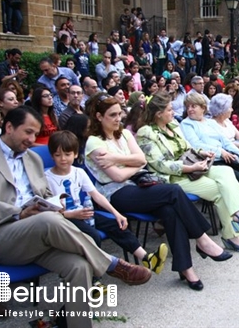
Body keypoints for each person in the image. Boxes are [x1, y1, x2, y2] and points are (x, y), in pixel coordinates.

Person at [0, 106, 151, 328]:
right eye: (27, 132)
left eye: (35, 133)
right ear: (9, 127)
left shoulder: (33, 159)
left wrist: (54, 204)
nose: (32, 139)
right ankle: (111, 264)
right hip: (1, 236)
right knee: (48, 220)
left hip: (41, 233)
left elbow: (46, 195)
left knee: (79, 267)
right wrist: (19, 212)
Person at [85, 94, 231, 290]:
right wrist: (133, 163)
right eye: (112, 115)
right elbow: (118, 177)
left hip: (139, 185)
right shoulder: (94, 142)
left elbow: (142, 160)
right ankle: (202, 239)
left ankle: (186, 268)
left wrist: (119, 160)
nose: (118, 118)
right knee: (173, 191)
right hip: (116, 194)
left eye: (120, 113)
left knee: (170, 211)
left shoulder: (126, 134)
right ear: (99, 117)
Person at [136, 93, 239, 251]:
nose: (174, 113)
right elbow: (160, 165)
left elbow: (188, 147)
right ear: (158, 114)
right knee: (220, 190)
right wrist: (191, 168)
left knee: (226, 172)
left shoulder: (172, 125)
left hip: (193, 166)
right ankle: (231, 236)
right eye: (170, 110)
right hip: (175, 176)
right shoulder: (146, 133)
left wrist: (202, 153)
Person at [45, 131, 168, 274]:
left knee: (117, 225)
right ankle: (95, 277)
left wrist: (116, 214)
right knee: (93, 235)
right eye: (58, 155)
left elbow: (96, 195)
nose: (63, 159)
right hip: (63, 218)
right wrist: (71, 214)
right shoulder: (46, 177)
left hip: (82, 212)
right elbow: (50, 209)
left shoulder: (78, 172)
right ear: (52, 155)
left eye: (67, 154)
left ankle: (147, 258)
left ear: (76, 154)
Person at [180, 93, 239, 211]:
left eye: (193, 106)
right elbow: (196, 145)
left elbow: (225, 141)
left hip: (225, 155)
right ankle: (235, 213)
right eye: (188, 107)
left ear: (203, 108)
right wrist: (220, 151)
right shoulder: (186, 124)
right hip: (208, 159)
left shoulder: (210, 122)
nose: (190, 109)